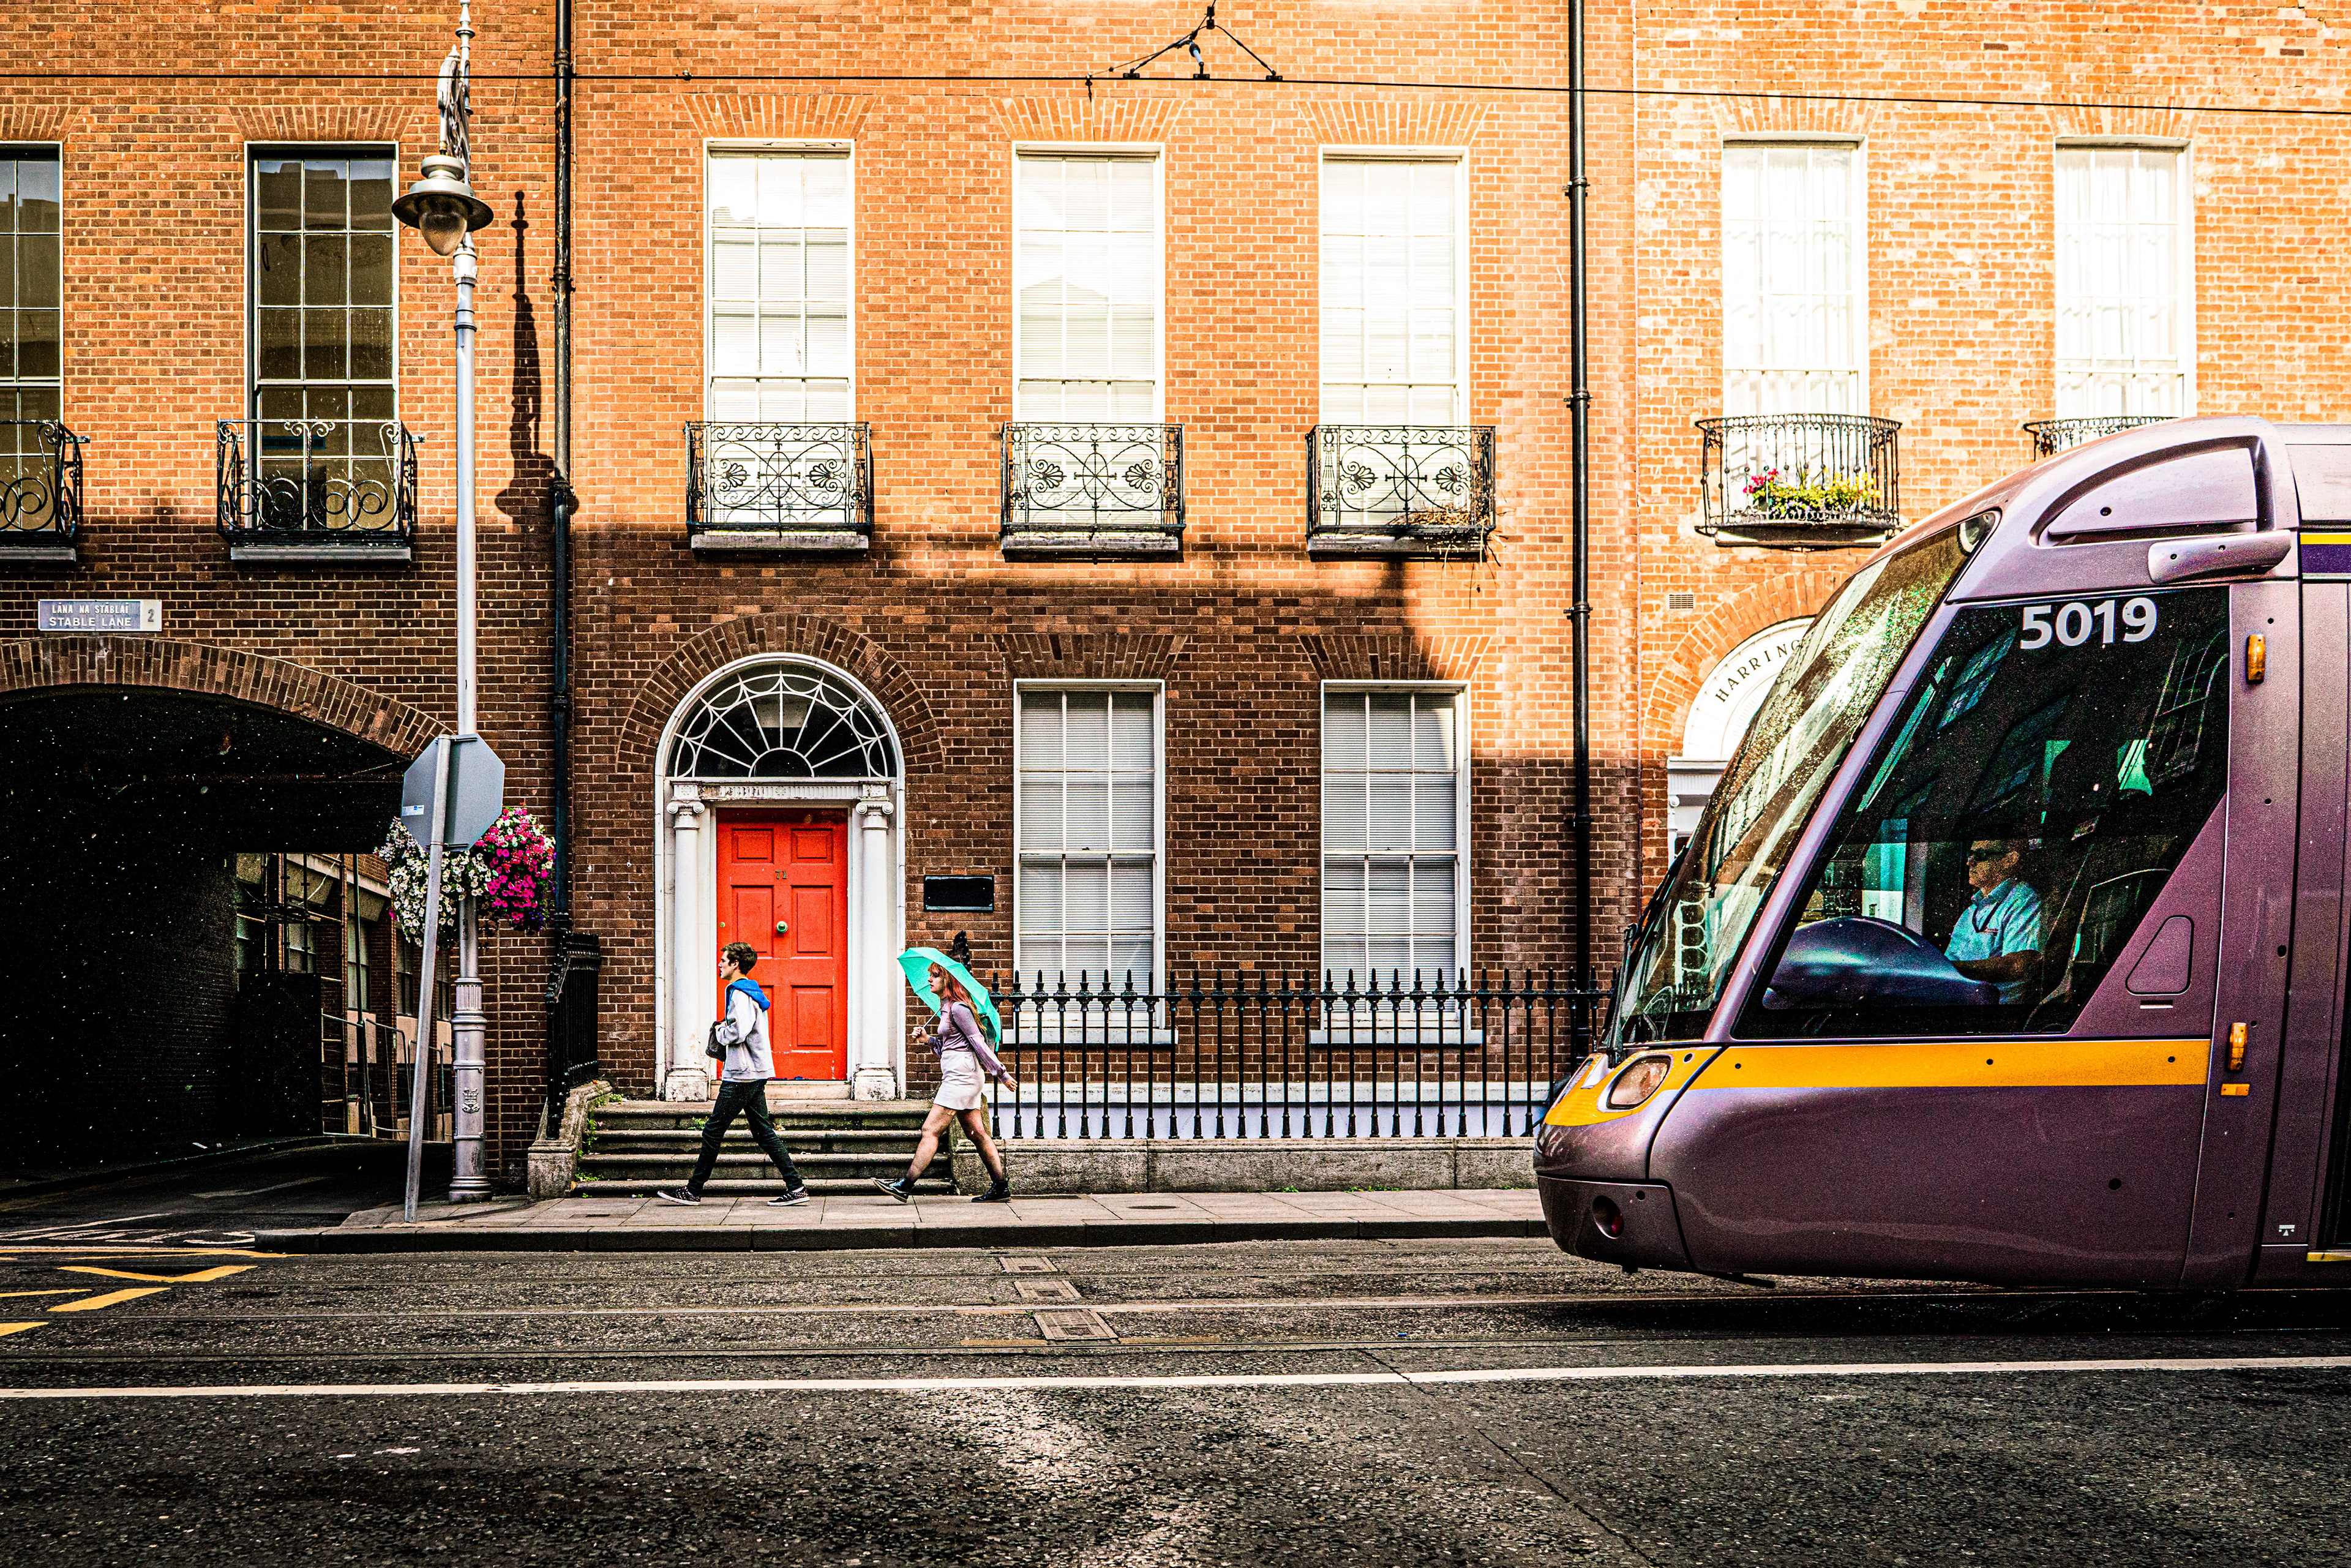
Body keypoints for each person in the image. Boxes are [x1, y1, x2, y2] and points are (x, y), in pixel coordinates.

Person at [658, 943, 811, 1207]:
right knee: (763, 1132)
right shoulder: (749, 992)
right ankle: (796, 1187)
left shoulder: (740, 993)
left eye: (724, 960)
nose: (720, 964)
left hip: (743, 1073)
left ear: (735, 964)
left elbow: (738, 1031)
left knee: (713, 1130)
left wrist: (718, 1032)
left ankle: (693, 1190)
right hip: (753, 1070)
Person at [875, 962, 1018, 1204]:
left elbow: (978, 1044)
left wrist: (1001, 1073)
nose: (930, 979)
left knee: (930, 1130)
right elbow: (949, 1049)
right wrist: (928, 1039)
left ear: (949, 980)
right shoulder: (946, 1008)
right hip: (960, 1074)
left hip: (962, 1078)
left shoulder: (960, 1009)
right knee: (979, 1134)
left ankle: (905, 1185)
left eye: (936, 976)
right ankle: (1001, 1187)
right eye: (930, 975)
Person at [1944, 838, 2044, 1003]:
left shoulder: (2023, 901)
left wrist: (1947, 969)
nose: (1970, 863)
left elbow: (2018, 965)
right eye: (1970, 855)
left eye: (1981, 855)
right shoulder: (1971, 911)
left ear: (2009, 860)